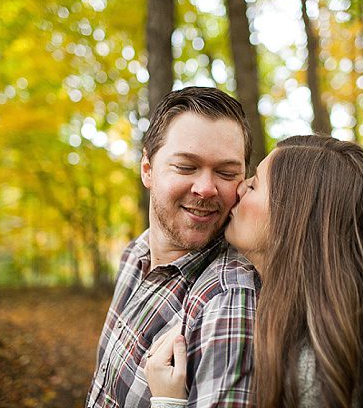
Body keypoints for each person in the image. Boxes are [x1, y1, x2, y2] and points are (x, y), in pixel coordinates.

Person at [146, 135, 363, 407]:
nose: (239, 188)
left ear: (293, 220)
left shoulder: (315, 371)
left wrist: (167, 401)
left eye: (255, 185)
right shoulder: (337, 327)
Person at [86, 87, 259, 407]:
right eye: (186, 167)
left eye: (226, 173)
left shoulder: (228, 297)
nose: (206, 189)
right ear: (147, 170)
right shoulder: (134, 254)